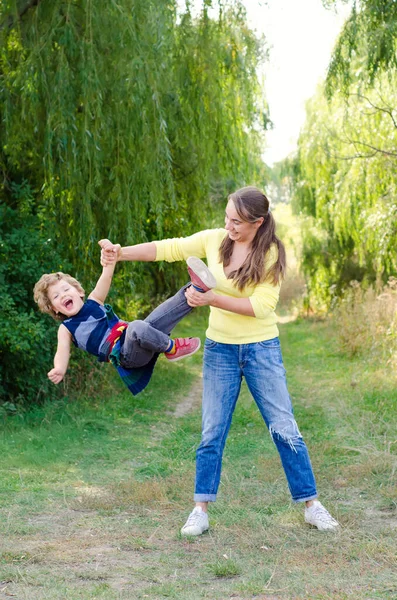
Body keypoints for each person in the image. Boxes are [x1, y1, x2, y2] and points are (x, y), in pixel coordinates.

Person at [100, 186, 339, 532]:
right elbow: (170, 248)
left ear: (257, 222)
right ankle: (201, 510)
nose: (228, 225)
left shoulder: (271, 253)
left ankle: (311, 504)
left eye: (237, 222)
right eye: (227, 217)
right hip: (219, 350)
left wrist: (212, 299)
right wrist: (120, 253)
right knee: (212, 431)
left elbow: (261, 307)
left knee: (284, 428)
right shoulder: (215, 239)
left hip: (261, 349)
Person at [33, 246, 216, 395]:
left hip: (139, 337)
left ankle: (197, 288)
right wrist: (59, 368)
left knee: (161, 313)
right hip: (128, 356)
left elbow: (107, 276)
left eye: (66, 289)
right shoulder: (67, 328)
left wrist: (110, 257)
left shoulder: (95, 301)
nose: (63, 295)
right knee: (137, 326)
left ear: (79, 291)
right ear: (54, 308)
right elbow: (62, 351)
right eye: (56, 296)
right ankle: (172, 348)